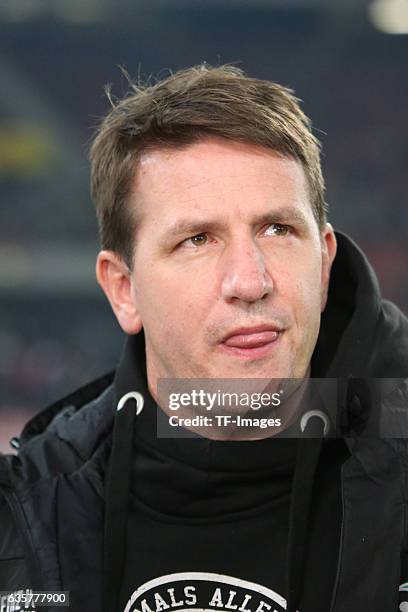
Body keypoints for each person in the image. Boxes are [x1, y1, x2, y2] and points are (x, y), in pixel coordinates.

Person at [0, 64, 407, 612]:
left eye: (278, 230)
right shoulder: (25, 518)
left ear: (325, 262)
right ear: (124, 290)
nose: (250, 282)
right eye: (196, 239)